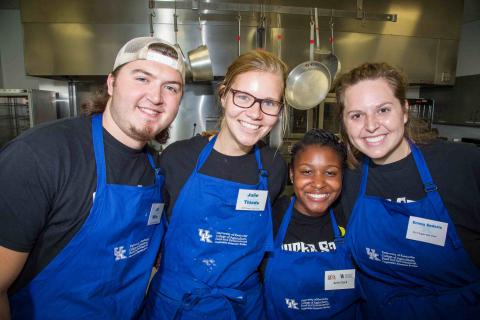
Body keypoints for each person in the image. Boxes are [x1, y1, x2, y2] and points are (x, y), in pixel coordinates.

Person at [0, 36, 186, 319]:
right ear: (111, 83)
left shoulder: (156, 169)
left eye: (170, 87)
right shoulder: (41, 155)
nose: (156, 97)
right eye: (142, 78)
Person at [141, 49, 288, 319]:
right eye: (243, 97)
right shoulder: (177, 158)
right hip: (176, 305)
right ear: (223, 96)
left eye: (269, 102)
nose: (255, 113)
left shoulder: (274, 167)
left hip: (241, 307)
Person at [334, 62, 480, 319]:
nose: (371, 125)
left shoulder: (463, 165)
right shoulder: (349, 179)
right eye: (356, 115)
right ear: (345, 123)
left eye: (383, 110)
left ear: (404, 111)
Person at [263, 128, 364, 319]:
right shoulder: (271, 216)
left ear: (342, 176)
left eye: (330, 173)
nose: (318, 183)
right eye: (307, 171)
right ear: (292, 174)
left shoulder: (350, 216)